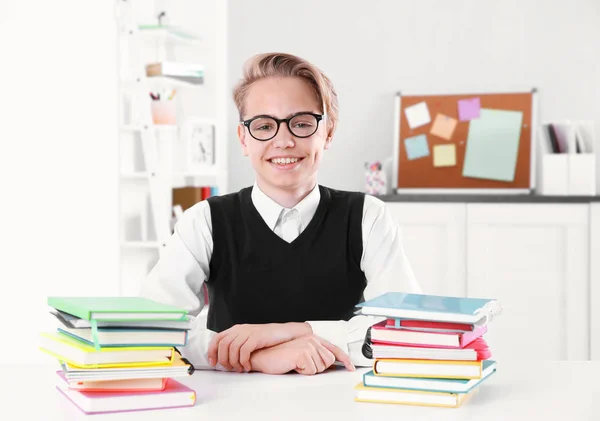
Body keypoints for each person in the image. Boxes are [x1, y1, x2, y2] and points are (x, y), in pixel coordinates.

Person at [141, 52, 421, 376]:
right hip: (229, 404)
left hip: (346, 402)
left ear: (327, 132)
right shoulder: (205, 221)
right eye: (264, 125)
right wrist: (259, 358)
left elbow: (407, 329)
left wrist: (294, 331)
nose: (283, 140)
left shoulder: (367, 218)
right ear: (243, 138)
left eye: (301, 123)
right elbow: (149, 328)